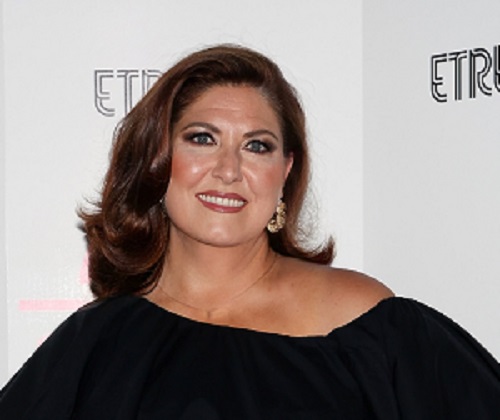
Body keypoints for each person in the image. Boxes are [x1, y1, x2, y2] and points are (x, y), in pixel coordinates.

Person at [1, 44, 499, 419]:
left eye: (257, 146)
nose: (228, 170)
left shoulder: (369, 325)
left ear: (285, 171)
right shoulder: (95, 345)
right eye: (202, 139)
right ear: (157, 159)